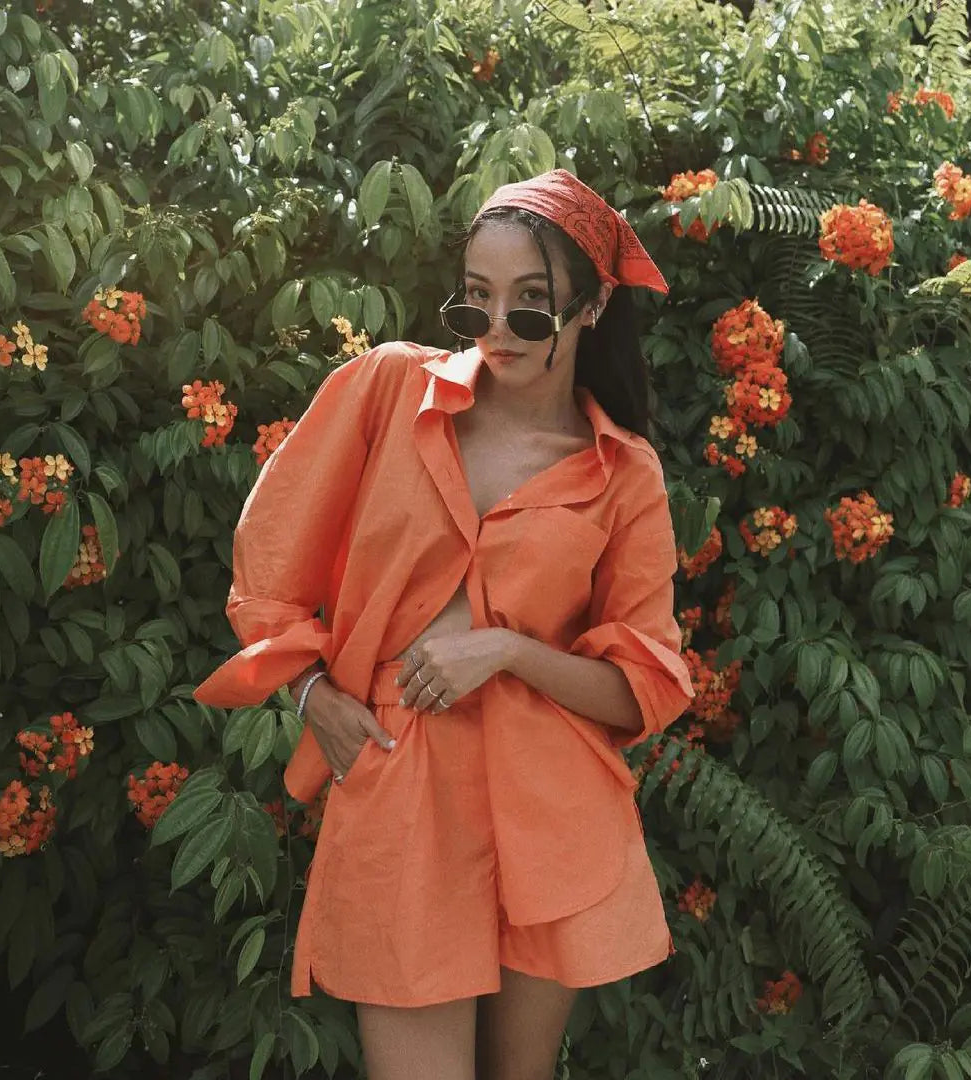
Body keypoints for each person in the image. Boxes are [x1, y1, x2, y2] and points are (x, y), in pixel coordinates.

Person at [193, 168, 694, 1080]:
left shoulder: (623, 474)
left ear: (591, 308)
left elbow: (642, 689)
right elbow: (267, 565)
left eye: (530, 305)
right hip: (402, 778)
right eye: (476, 300)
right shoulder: (389, 389)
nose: (497, 328)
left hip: (551, 808)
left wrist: (506, 650)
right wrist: (310, 694)